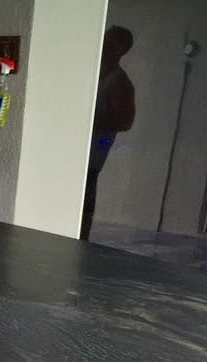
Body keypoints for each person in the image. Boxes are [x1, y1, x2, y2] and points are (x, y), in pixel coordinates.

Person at [81, 26, 136, 241]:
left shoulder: (118, 81)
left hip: (94, 152)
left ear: (120, 49)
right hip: (76, 150)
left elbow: (125, 120)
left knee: (84, 200)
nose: (103, 44)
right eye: (104, 39)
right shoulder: (93, 72)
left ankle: (79, 241)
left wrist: (87, 124)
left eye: (110, 42)